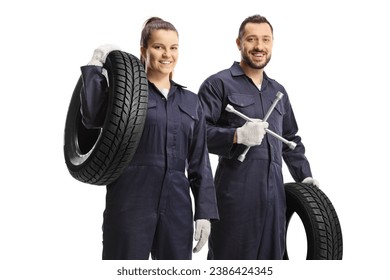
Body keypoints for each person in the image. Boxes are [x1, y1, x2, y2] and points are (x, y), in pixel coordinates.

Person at [79, 17, 219, 260]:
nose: (167, 54)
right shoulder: (127, 95)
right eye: (158, 47)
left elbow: (200, 161)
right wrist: (95, 66)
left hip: (176, 203)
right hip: (131, 198)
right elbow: (91, 119)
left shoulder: (191, 101)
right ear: (143, 50)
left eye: (173, 47)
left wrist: (204, 212)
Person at [197, 14, 319, 260]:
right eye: (251, 39)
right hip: (235, 198)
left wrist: (304, 175)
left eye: (265, 40)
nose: (259, 46)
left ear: (272, 43)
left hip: (275, 201)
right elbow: (196, 136)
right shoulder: (218, 84)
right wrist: (236, 135)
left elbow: (290, 138)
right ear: (239, 42)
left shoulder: (278, 91)